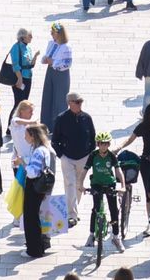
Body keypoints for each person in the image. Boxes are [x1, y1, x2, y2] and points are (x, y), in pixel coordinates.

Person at [49, 92, 95, 223]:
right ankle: (71, 215)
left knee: (79, 185)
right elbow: (54, 140)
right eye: (77, 101)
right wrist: (61, 155)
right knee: (70, 184)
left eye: (81, 101)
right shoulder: (61, 118)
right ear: (69, 103)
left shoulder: (87, 118)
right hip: (67, 157)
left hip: (84, 157)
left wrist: (90, 153)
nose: (80, 104)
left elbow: (93, 137)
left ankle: (74, 208)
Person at [22, 124, 59, 258]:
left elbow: (33, 172)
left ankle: (33, 249)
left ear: (33, 136)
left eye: (26, 134)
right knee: (34, 217)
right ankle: (37, 247)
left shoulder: (38, 151)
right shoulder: (45, 149)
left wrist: (25, 165)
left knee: (31, 218)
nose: (25, 137)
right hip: (41, 187)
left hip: (34, 187)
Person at [86, 131, 126, 252]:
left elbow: (118, 171)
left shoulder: (111, 156)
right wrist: (80, 184)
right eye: (101, 144)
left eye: (106, 144)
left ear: (108, 144)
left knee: (113, 209)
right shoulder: (93, 155)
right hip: (96, 184)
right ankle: (91, 235)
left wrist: (123, 186)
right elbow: (84, 170)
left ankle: (116, 237)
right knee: (96, 209)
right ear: (98, 144)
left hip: (109, 183)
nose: (103, 146)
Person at [37, 23, 74, 125]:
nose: (51, 34)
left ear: (59, 34)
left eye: (53, 32)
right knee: (48, 96)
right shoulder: (52, 43)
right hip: (50, 72)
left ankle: (58, 125)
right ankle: (46, 123)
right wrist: (45, 59)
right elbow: (47, 55)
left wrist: (54, 62)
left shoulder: (66, 47)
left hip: (61, 74)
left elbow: (67, 63)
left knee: (59, 100)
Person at [5, 29, 36, 124]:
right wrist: (19, 78)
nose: (31, 37)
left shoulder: (28, 48)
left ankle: (22, 124)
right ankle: (11, 126)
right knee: (18, 103)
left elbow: (30, 64)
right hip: (19, 78)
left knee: (24, 103)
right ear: (23, 37)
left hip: (28, 77)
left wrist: (35, 56)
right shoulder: (16, 47)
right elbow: (15, 65)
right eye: (29, 35)